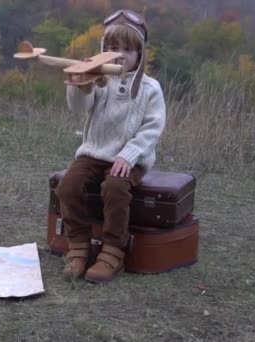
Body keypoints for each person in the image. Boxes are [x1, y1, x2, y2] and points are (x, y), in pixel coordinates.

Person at [55, 9, 166, 283]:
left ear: (139, 54)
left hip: (131, 158)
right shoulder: (100, 80)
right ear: (103, 49)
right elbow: (80, 108)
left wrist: (129, 156)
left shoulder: (150, 88)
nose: (120, 54)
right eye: (113, 47)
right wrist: (81, 86)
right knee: (68, 186)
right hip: (95, 151)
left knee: (114, 187)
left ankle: (113, 251)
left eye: (128, 49)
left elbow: (152, 128)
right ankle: (79, 246)